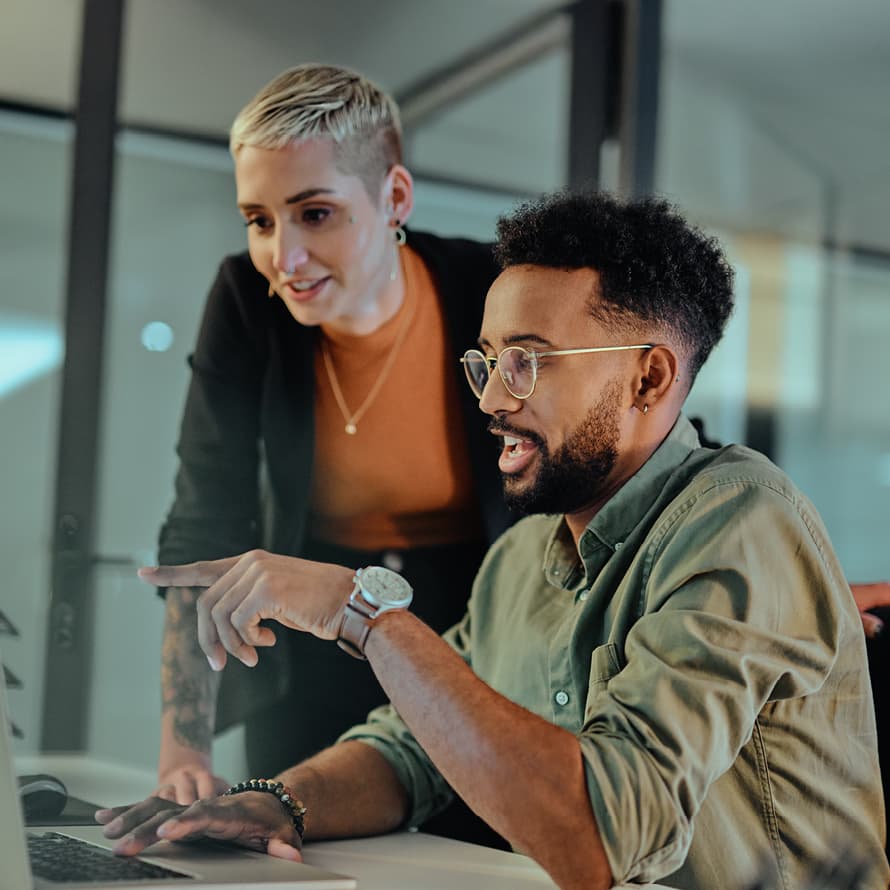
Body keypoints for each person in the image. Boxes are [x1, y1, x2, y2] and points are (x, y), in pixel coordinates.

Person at [107, 190, 888, 890]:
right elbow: (412, 750)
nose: (490, 400)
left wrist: (362, 612)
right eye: (485, 363)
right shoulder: (521, 555)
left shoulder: (742, 518)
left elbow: (604, 837)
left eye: (527, 363)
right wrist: (278, 804)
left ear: (649, 379)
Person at [153, 61, 511, 846]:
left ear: (395, 198)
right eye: (259, 220)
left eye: (316, 214)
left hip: (477, 630)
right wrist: (185, 748)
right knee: (290, 849)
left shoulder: (492, 289)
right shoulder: (246, 301)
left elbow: (615, 460)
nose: (283, 257)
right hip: (310, 632)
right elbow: (204, 517)